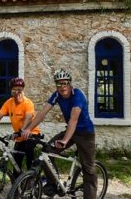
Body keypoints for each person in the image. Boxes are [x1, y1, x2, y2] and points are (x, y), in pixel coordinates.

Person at [21, 68, 97, 198]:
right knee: (47, 152)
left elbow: (73, 120)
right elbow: (42, 113)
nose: (62, 87)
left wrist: (65, 140)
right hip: (70, 131)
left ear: (69, 83)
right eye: (59, 84)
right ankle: (53, 184)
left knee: (88, 169)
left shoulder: (77, 95)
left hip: (85, 134)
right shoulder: (56, 95)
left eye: (64, 83)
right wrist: (29, 128)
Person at [0, 77, 41, 173]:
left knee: (29, 158)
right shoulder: (9, 103)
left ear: (23, 90)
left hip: (31, 134)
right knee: (16, 163)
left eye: (19, 90)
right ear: (11, 91)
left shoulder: (28, 103)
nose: (16, 92)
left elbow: (28, 117)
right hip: (19, 137)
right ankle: (18, 185)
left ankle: (32, 179)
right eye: (14, 90)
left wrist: (20, 131)